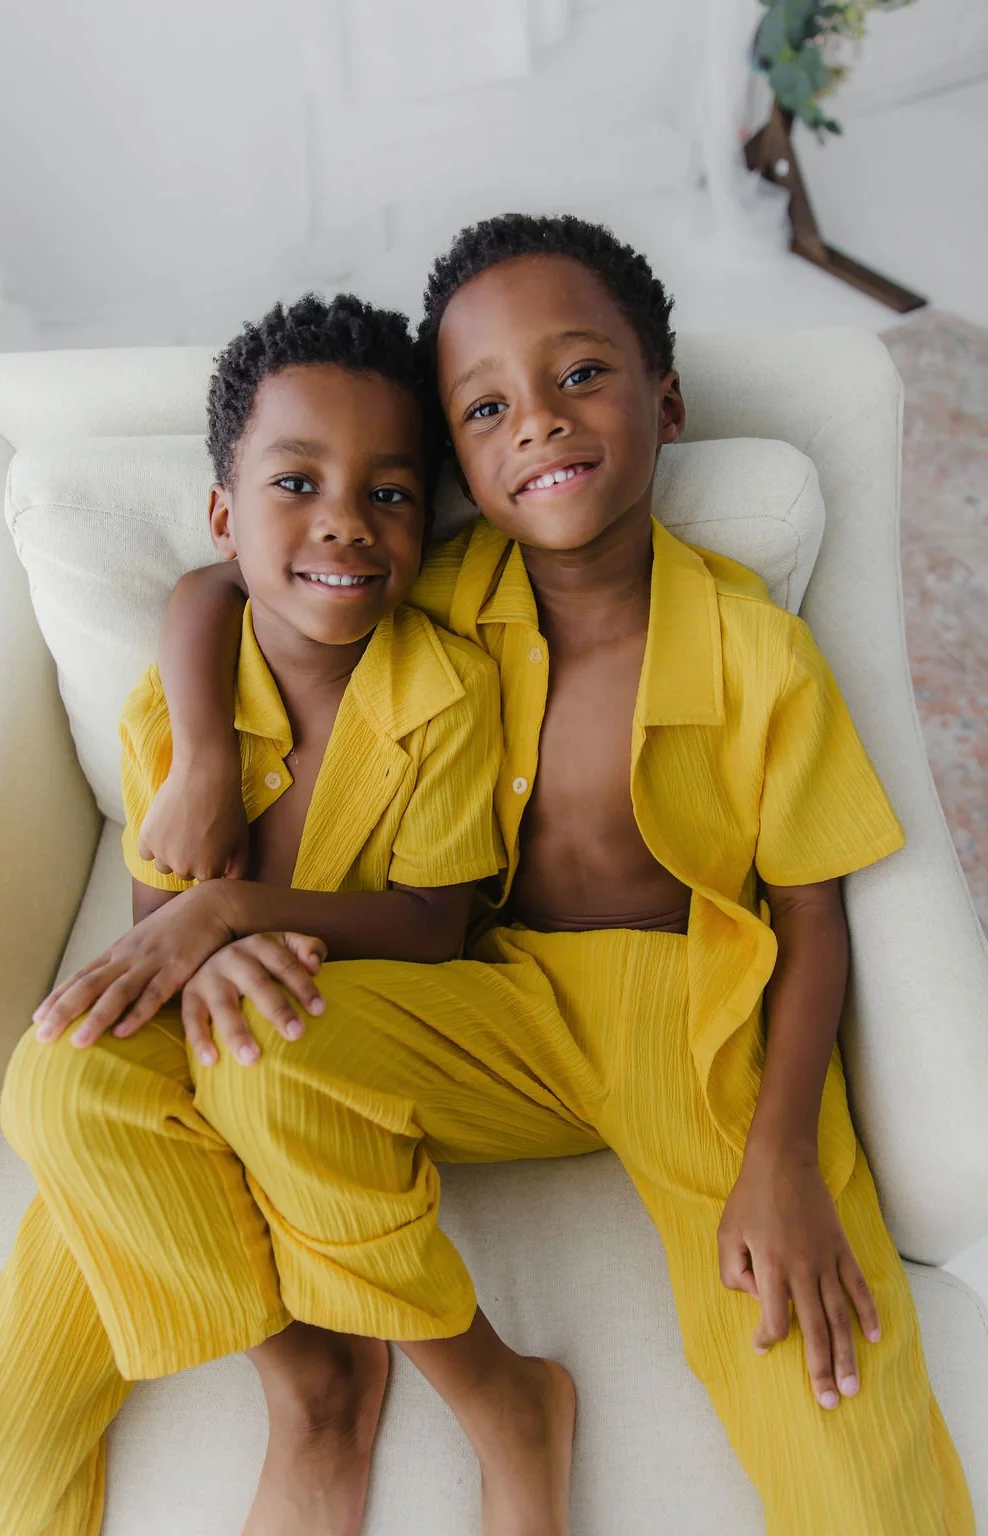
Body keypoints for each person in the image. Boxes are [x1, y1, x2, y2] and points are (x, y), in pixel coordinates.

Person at [121, 214, 975, 1535]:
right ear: (458, 457)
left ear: (664, 400)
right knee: (259, 1050)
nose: (538, 422)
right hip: (497, 1000)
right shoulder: (425, 590)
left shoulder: (760, 652)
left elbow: (811, 912)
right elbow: (215, 582)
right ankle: (450, 1383)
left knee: (827, 1371)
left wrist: (785, 1157)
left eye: (580, 375)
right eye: (484, 406)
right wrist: (202, 761)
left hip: (691, 1026)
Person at [0, 292, 505, 1536]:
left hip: (331, 1049)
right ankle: (288, 1340)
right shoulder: (176, 712)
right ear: (225, 511)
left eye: (389, 492)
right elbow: (161, 926)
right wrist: (203, 795)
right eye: (296, 482)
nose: (345, 525)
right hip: (191, 1079)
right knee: (48, 1099)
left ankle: (323, 1380)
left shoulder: (447, 691)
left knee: (198, 1077)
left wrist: (228, 911)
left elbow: (436, 926)